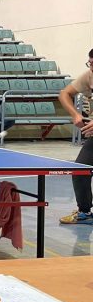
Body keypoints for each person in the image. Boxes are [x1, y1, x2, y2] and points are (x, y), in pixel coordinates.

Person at [58, 50, 93, 224]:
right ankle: (85, 212)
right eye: (90, 63)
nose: (91, 67)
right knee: (80, 170)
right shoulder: (89, 75)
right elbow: (64, 94)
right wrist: (75, 114)